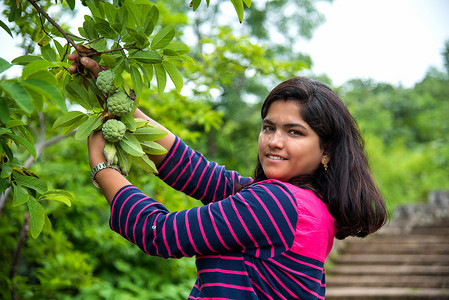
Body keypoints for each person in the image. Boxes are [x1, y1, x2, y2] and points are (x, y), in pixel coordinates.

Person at [68, 51, 388, 299]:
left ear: (326, 149)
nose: (274, 141)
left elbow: (161, 233)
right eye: (269, 127)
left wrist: (103, 170)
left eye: (295, 132)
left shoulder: (277, 204)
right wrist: (118, 101)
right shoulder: (306, 206)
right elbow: (202, 175)